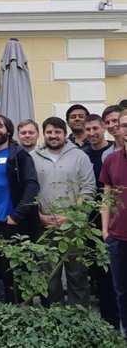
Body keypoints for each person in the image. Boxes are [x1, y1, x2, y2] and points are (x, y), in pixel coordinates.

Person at [31, 117, 95, 306]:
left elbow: (88, 189)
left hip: (74, 227)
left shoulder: (79, 157)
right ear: (44, 134)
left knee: (77, 275)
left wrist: (71, 216)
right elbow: (27, 190)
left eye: (57, 132)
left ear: (65, 134)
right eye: (49, 132)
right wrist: (39, 216)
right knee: (48, 276)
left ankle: (78, 317)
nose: (53, 135)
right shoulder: (33, 157)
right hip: (45, 226)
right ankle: (53, 318)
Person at [0, 114, 39, 303]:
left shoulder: (19, 155)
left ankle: (21, 312)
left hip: (13, 223)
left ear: (8, 130)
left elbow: (32, 186)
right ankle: (7, 312)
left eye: (0, 126)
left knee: (17, 272)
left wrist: (16, 215)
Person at [81, 113, 119, 327]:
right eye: (88, 130)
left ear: (103, 128)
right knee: (98, 272)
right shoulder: (83, 154)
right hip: (89, 222)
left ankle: (115, 319)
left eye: (95, 128)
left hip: (113, 219)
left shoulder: (114, 153)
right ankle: (106, 321)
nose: (92, 133)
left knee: (113, 273)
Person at [100, 109, 127, 340]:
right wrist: (105, 231)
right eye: (124, 125)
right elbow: (106, 199)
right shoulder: (111, 160)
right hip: (118, 238)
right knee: (122, 292)